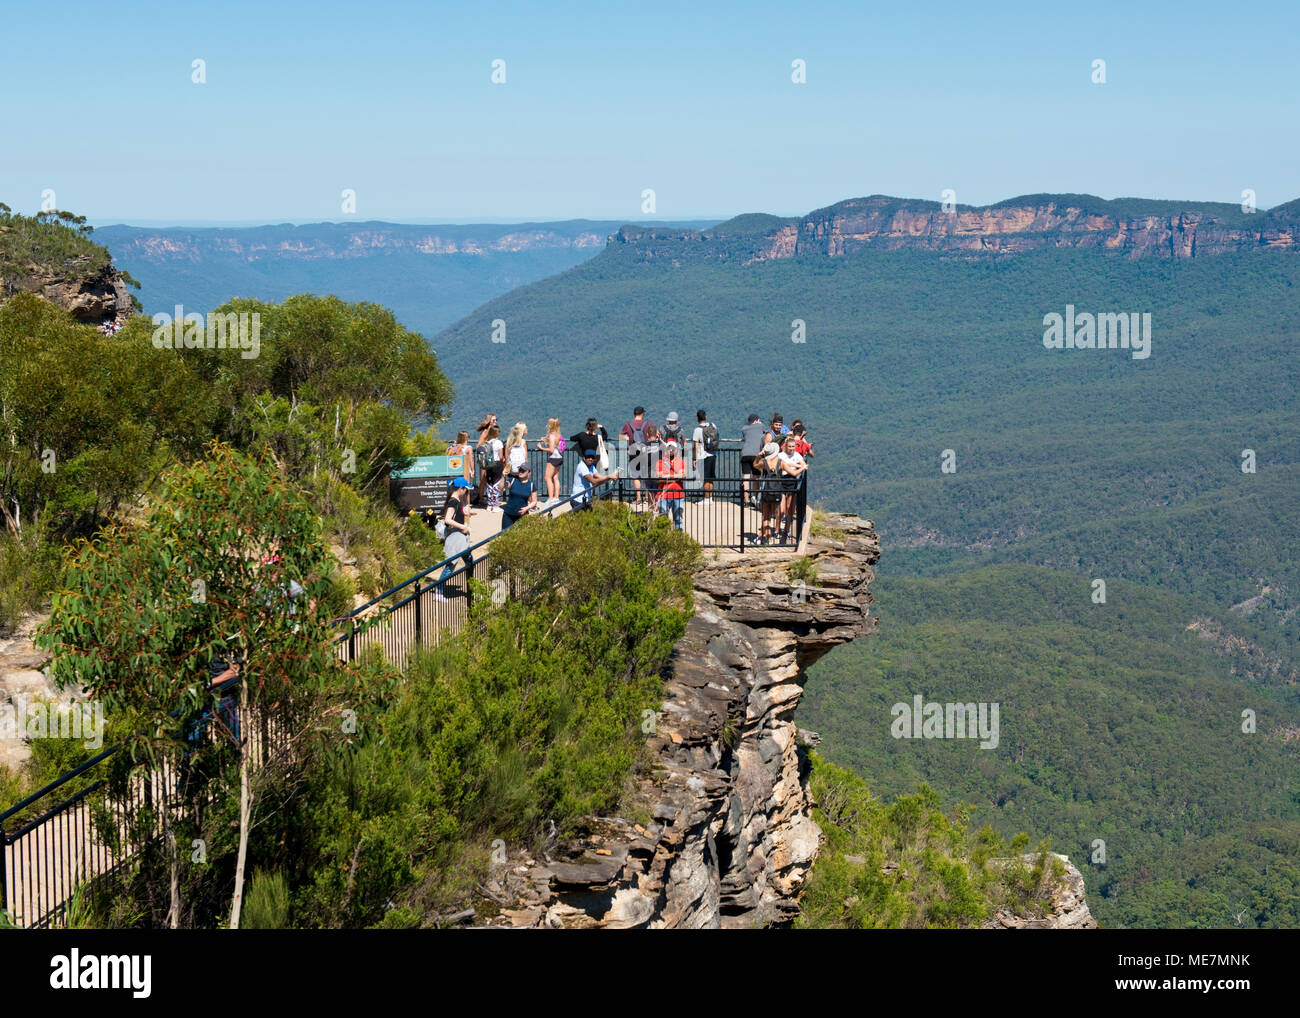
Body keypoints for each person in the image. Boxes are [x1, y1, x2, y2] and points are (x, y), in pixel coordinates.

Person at [436, 479, 476, 600]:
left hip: (461, 539)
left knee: (470, 562)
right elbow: (448, 519)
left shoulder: (458, 500)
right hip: (455, 538)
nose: (467, 492)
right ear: (461, 488)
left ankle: (472, 589)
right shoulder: (453, 502)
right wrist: (463, 526)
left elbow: (463, 512)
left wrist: (467, 508)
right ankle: (439, 591)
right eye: (466, 489)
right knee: (451, 566)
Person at [776, 435, 809, 544]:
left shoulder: (797, 455)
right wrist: (797, 466)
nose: (791, 449)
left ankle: (785, 532)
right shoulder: (780, 455)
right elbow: (785, 465)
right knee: (781, 510)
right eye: (789, 446)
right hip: (782, 481)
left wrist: (795, 465)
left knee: (789, 509)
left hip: (792, 482)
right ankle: (777, 529)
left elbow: (805, 465)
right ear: (785, 446)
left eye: (793, 447)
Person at [571, 445, 618, 510]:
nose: (590, 459)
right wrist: (609, 476)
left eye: (592, 457)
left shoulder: (591, 466)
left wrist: (611, 476)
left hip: (585, 499)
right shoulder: (582, 467)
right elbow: (594, 481)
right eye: (588, 457)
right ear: (584, 458)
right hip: (578, 499)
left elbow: (599, 477)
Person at [621, 406, 651, 509]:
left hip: (633, 452)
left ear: (634, 414)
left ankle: (638, 498)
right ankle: (647, 498)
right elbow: (654, 434)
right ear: (642, 414)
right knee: (645, 476)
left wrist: (628, 438)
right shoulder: (647, 424)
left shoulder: (628, 424)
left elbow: (621, 437)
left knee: (636, 476)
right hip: (645, 452)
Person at [655, 440, 686, 530]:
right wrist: (676, 477)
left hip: (678, 495)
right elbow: (660, 477)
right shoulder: (660, 462)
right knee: (663, 520)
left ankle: (678, 539)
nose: (671, 450)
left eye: (673, 448)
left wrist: (667, 476)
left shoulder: (681, 462)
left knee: (678, 520)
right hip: (663, 495)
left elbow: (683, 475)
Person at [501, 462, 540, 530]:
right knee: (505, 536)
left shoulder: (531, 485)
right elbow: (501, 488)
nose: (520, 472)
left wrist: (527, 508)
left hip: (522, 516)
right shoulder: (512, 480)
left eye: (523, 470)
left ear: (529, 472)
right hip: (508, 515)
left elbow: (534, 501)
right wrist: (503, 476)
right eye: (520, 470)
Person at [757, 441, 782, 544]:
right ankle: (766, 537)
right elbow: (792, 472)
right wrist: (802, 468)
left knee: (765, 516)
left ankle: (762, 537)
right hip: (775, 492)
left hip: (765, 490)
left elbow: (755, 465)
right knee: (770, 516)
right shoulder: (780, 462)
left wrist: (758, 456)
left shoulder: (764, 462)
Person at [692, 409, 718, 505]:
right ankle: (710, 498)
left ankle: (706, 499)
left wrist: (694, 458)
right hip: (713, 454)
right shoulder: (713, 426)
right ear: (706, 417)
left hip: (703, 456)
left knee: (705, 478)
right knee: (710, 477)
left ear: (697, 418)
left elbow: (695, 446)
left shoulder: (697, 430)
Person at [740, 413, 765, 507]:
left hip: (745, 454)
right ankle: (755, 499)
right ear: (756, 421)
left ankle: (746, 501)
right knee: (756, 477)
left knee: (746, 478)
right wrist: (759, 423)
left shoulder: (744, 428)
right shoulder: (761, 426)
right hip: (756, 455)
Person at [477, 423, 505, 509]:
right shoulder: (499, 442)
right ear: (497, 433)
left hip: (489, 465)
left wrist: (489, 463)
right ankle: (495, 504)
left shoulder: (487, 443)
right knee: (496, 484)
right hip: (497, 465)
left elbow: (489, 457)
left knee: (489, 484)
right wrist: (503, 461)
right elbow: (500, 457)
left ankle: (489, 504)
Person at [540, 418, 565, 504]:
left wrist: (541, 448)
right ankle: (556, 497)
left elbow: (551, 450)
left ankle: (550, 498)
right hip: (559, 458)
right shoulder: (559, 435)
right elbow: (556, 447)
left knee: (547, 478)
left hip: (553, 459)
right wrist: (546, 441)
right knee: (555, 477)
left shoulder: (551, 435)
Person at [642, 422, 662, 510]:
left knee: (650, 491)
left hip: (647, 471)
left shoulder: (644, 446)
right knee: (658, 491)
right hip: (658, 471)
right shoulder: (660, 445)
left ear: (647, 434)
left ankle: (651, 509)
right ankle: (657, 509)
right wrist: (660, 439)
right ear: (656, 434)